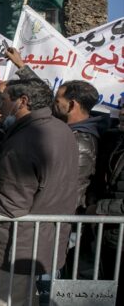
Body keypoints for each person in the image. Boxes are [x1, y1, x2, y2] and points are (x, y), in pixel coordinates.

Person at [0, 78, 78, 305]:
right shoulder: (62, 130)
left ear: (22, 101)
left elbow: (9, 205)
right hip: (43, 245)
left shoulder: (24, 141)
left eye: (4, 100)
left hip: (12, 252)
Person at [87, 107, 124, 297]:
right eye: (122, 106)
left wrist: (99, 208)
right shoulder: (116, 141)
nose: (122, 112)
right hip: (110, 236)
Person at [52, 81, 106, 208]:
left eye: (57, 101)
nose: (53, 105)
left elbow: (71, 188)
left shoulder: (81, 142)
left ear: (71, 105)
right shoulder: (68, 132)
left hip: (59, 218)